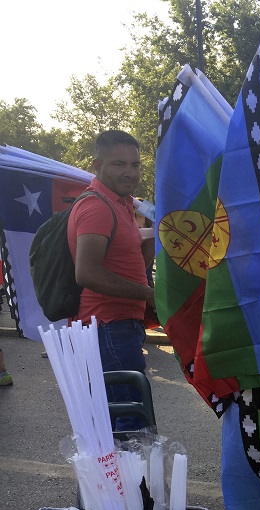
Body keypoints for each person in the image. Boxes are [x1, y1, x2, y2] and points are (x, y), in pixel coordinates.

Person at [67, 130, 155, 429]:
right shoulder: (96, 207)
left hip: (121, 325)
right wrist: (149, 294)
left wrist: (151, 240)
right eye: (119, 164)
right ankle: (125, 477)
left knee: (126, 416)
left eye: (135, 165)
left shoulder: (123, 204)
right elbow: (88, 273)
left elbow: (127, 266)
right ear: (97, 165)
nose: (130, 172)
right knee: (128, 422)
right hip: (108, 327)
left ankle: (125, 475)